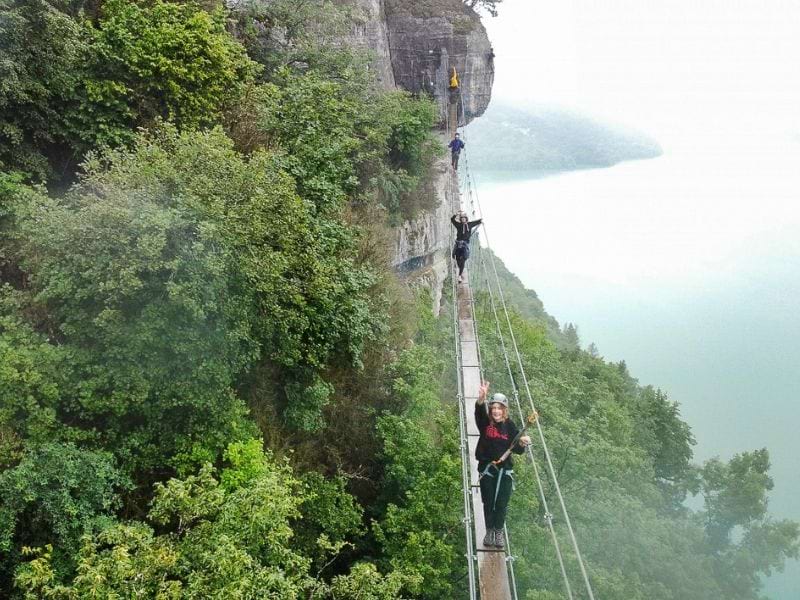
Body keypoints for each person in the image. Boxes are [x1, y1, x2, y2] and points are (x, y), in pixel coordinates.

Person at [475, 381, 531, 550]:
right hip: (488, 469)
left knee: (501, 503)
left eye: (500, 408)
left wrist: (523, 442)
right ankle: (489, 531)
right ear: (491, 410)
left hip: (505, 471)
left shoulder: (510, 425)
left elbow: (517, 449)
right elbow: (479, 413)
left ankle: (498, 531)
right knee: (488, 501)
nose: (496, 411)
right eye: (494, 408)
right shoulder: (486, 424)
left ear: (504, 410)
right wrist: (481, 399)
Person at [451, 211, 482, 283]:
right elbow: (452, 220)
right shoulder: (458, 225)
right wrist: (457, 214)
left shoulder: (470, 224)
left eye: (464, 218)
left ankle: (459, 276)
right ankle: (460, 273)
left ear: (466, 218)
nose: (463, 219)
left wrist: (481, 221)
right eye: (462, 218)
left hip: (465, 244)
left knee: (464, 258)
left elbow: (477, 222)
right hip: (458, 243)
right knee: (458, 259)